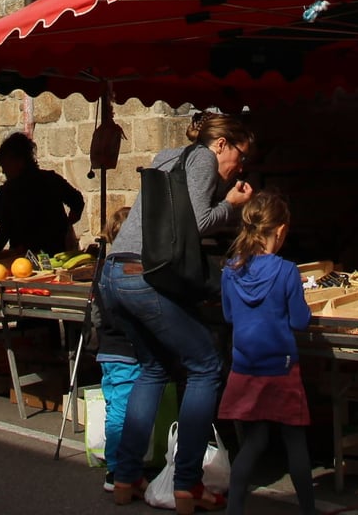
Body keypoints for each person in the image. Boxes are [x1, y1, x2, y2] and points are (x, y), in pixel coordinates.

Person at [100, 111, 256, 514]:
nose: (239, 166)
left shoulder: (168, 155)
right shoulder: (203, 159)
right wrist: (231, 205)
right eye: (240, 156)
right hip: (141, 276)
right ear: (221, 143)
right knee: (206, 366)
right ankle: (187, 483)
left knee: (154, 367)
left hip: (114, 274)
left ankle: (126, 476)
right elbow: (198, 222)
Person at [219, 191, 315, 515]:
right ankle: (308, 509)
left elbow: (229, 315)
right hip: (281, 368)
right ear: (281, 230)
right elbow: (300, 320)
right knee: (294, 441)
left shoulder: (230, 270)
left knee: (254, 442)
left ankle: (234, 508)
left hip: (245, 368)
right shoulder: (287, 271)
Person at [0, 132, 85, 256]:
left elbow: (76, 201)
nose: (4, 171)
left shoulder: (47, 181)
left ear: (19, 162)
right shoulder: (9, 190)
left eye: (6, 165)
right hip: (23, 258)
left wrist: (68, 224)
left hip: (52, 255)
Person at [92, 205, 140, 494]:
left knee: (115, 408)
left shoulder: (103, 271)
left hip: (108, 350)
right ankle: (117, 469)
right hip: (125, 351)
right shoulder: (131, 270)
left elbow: (97, 316)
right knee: (121, 412)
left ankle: (118, 463)